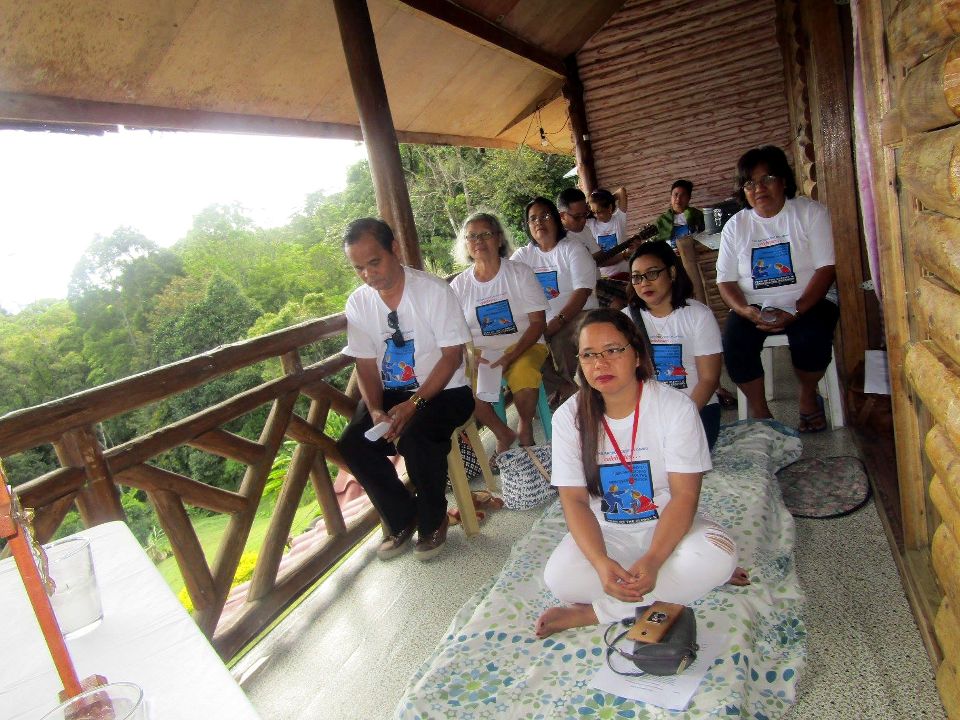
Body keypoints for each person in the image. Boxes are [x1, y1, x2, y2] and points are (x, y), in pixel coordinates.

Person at [535, 309, 741, 638]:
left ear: (636, 354)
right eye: (589, 355)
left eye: (613, 350)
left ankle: (597, 612)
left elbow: (685, 495)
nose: (600, 363)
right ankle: (681, 583)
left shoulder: (675, 408)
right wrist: (601, 563)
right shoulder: (568, 419)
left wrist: (656, 559)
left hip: (669, 528)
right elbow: (573, 501)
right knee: (559, 578)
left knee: (718, 556)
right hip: (607, 532)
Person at [336, 218, 474, 562]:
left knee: (417, 437)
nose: (369, 275)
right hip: (392, 391)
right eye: (359, 268)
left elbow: (452, 357)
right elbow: (365, 365)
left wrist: (413, 405)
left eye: (374, 262)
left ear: (394, 249)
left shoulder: (431, 291)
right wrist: (376, 408)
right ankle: (402, 515)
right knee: (353, 443)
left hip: (445, 389)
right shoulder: (358, 303)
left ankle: (433, 515)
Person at [716, 145, 839, 432]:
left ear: (783, 180)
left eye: (767, 178)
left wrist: (796, 310)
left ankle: (808, 396)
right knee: (734, 341)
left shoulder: (810, 213)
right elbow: (725, 281)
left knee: (811, 336)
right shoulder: (736, 226)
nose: (758, 188)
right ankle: (761, 411)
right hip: (756, 306)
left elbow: (826, 269)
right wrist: (745, 310)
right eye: (749, 183)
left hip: (809, 300)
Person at [450, 212, 548, 450]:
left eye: (485, 234)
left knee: (523, 372)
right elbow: (452, 331)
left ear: (499, 239)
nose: (478, 241)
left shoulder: (519, 272)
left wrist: (510, 357)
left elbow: (538, 323)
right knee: (462, 388)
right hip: (482, 353)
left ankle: (525, 425)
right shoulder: (459, 286)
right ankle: (504, 434)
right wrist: (469, 354)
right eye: (471, 236)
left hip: (524, 345)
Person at [624, 240, 723, 449]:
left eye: (652, 273)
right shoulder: (624, 321)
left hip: (696, 408)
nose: (644, 283)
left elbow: (709, 379)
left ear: (672, 272)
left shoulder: (698, 316)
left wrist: (681, 418)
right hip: (645, 413)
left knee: (679, 454)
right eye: (637, 277)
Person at [511, 197, 599, 406]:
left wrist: (556, 322)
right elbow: (503, 279)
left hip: (579, 315)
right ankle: (564, 388)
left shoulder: (572, 248)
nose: (538, 222)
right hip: (541, 323)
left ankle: (584, 396)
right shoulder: (523, 256)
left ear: (557, 220)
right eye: (532, 219)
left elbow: (583, 292)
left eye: (544, 216)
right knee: (520, 348)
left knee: (560, 340)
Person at [586, 188, 631, 279]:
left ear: (610, 208)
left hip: (625, 272)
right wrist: (595, 203)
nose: (596, 215)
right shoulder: (591, 224)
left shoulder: (619, 219)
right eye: (594, 212)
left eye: (599, 212)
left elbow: (621, 191)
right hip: (605, 277)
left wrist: (604, 200)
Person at [655, 179, 705, 250]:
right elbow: (655, 244)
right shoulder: (662, 220)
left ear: (689, 198)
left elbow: (706, 235)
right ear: (671, 197)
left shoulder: (696, 214)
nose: (678, 198)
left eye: (683, 195)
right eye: (675, 194)